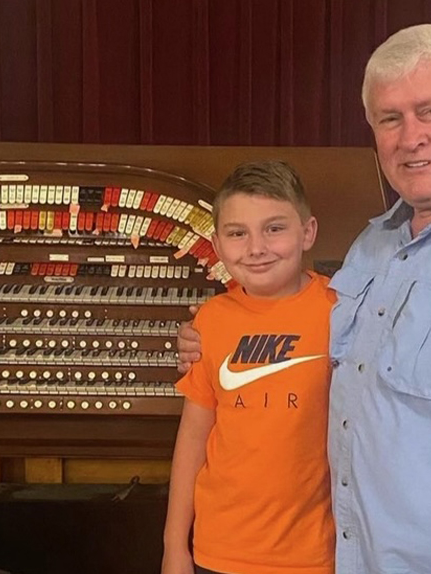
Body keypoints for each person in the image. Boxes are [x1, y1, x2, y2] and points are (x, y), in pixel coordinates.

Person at [177, 24, 431, 573]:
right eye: (390, 118)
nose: (410, 137)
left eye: (430, 110)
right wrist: (211, 335)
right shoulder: (374, 244)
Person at [163, 161, 335, 574]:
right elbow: (192, 440)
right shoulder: (211, 320)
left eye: (274, 228)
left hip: (313, 554)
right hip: (219, 551)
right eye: (238, 233)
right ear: (218, 246)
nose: (256, 247)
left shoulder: (340, 309)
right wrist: (174, 546)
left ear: (307, 232)